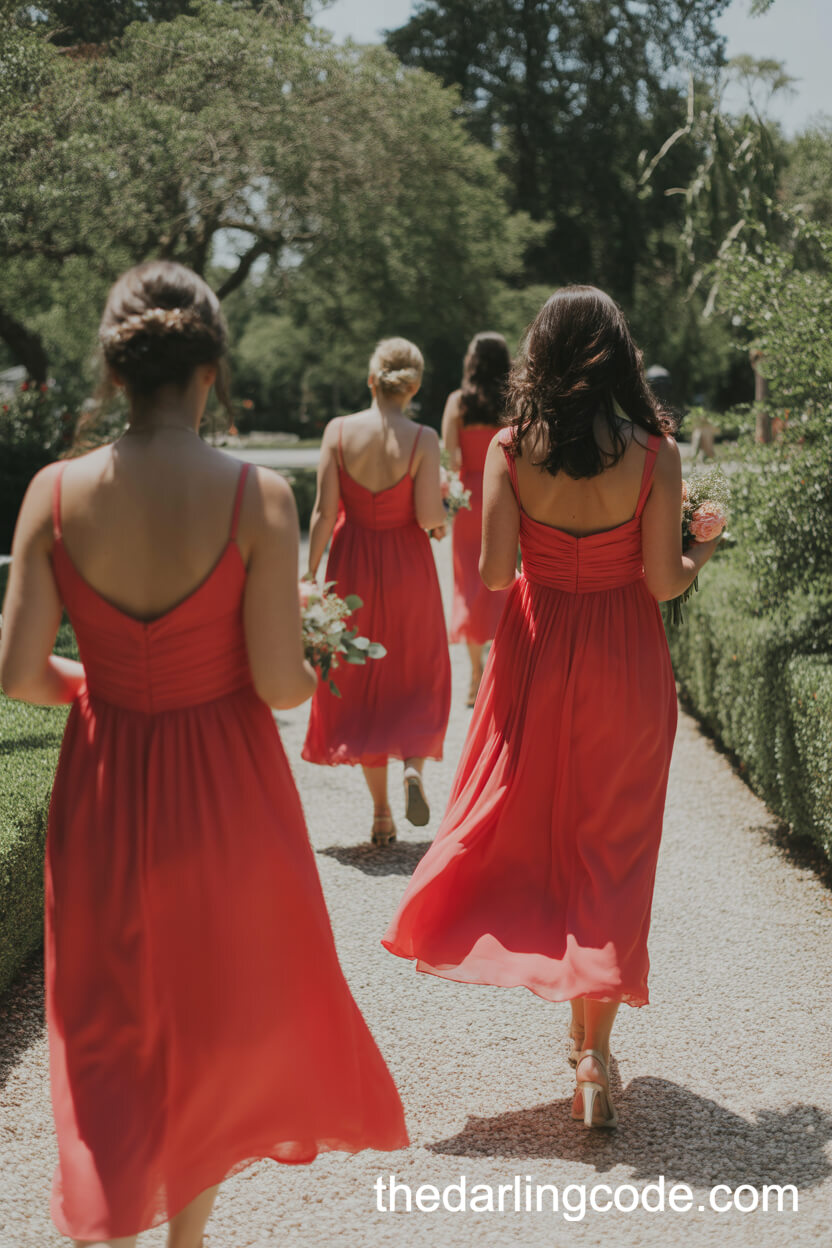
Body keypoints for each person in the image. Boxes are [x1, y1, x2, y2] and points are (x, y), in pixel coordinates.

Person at [0, 261, 407, 1248]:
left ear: (114, 370)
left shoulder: (54, 494)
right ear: (212, 372)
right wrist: (309, 648)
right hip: (226, 786)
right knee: (215, 1009)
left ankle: (115, 1215)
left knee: (110, 1013)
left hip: (105, 780)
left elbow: (18, 671)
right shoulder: (255, 497)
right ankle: (188, 1237)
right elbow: (278, 684)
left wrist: (105, 685)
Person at [383, 286, 724, 1130]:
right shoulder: (655, 452)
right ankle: (593, 1052)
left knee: (537, 827)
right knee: (613, 846)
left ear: (542, 354)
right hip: (624, 655)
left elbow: (496, 576)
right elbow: (663, 583)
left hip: (537, 651)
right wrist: (701, 548)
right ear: (618, 356)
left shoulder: (509, 447)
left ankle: (575, 1033)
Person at [302, 338, 451, 846]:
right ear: (414, 387)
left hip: (353, 564)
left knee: (362, 675)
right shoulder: (423, 438)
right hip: (409, 565)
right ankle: (412, 768)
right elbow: (428, 515)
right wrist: (442, 514)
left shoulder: (338, 432)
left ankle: (382, 813)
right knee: (416, 669)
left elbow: (323, 512)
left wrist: (310, 574)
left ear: (371, 380)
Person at [442, 332, 516, 706]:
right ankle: (499, 669)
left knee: (469, 584)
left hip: (470, 497)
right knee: (504, 579)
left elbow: (451, 457)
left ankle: (475, 675)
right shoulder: (515, 400)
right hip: (506, 494)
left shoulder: (458, 403)